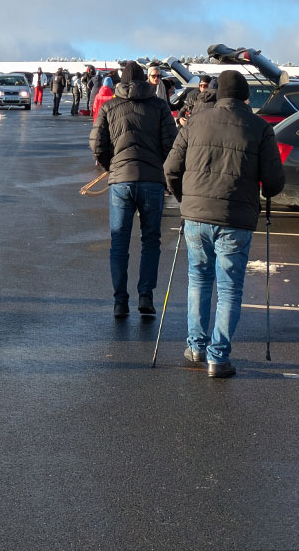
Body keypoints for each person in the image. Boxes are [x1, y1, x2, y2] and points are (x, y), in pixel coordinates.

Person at [163, 70, 285, 378]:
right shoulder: (259, 128)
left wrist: (185, 199)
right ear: (246, 98)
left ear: (218, 95)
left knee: (198, 280)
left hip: (196, 216)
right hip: (236, 219)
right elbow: (273, 182)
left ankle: (195, 348)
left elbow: (170, 168)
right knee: (229, 289)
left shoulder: (194, 122)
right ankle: (218, 357)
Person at [90, 61, 178, 318]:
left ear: (121, 81)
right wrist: (161, 169)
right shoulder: (160, 106)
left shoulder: (109, 106)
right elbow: (171, 145)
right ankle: (146, 296)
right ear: (144, 79)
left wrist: (111, 166)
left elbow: (97, 144)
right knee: (151, 240)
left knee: (119, 242)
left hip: (120, 181)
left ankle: (120, 301)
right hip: (151, 181)